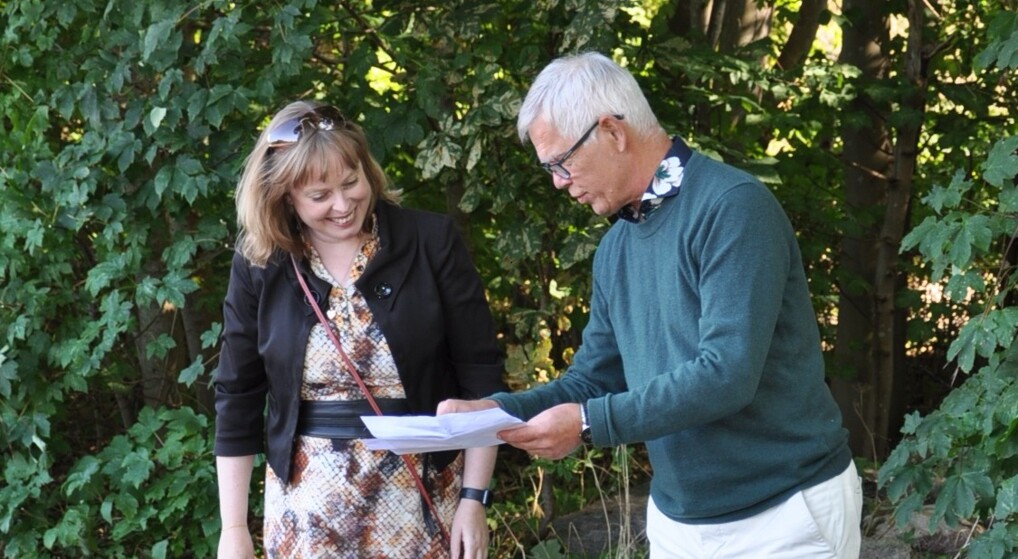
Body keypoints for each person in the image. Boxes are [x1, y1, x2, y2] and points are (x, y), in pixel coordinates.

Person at [439, 52, 863, 558]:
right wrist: (495, 412)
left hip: (783, 514)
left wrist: (590, 424)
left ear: (614, 133)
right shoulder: (616, 249)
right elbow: (591, 380)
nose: (557, 180)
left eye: (561, 162)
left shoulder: (733, 207)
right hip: (677, 523)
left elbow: (726, 374)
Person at [214, 100, 506, 559]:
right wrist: (234, 528)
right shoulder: (261, 264)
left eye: (352, 183)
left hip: (420, 502)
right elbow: (238, 394)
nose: (342, 204)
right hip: (306, 511)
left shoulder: (432, 242)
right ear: (284, 194)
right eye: (319, 195)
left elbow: (481, 375)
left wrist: (474, 498)